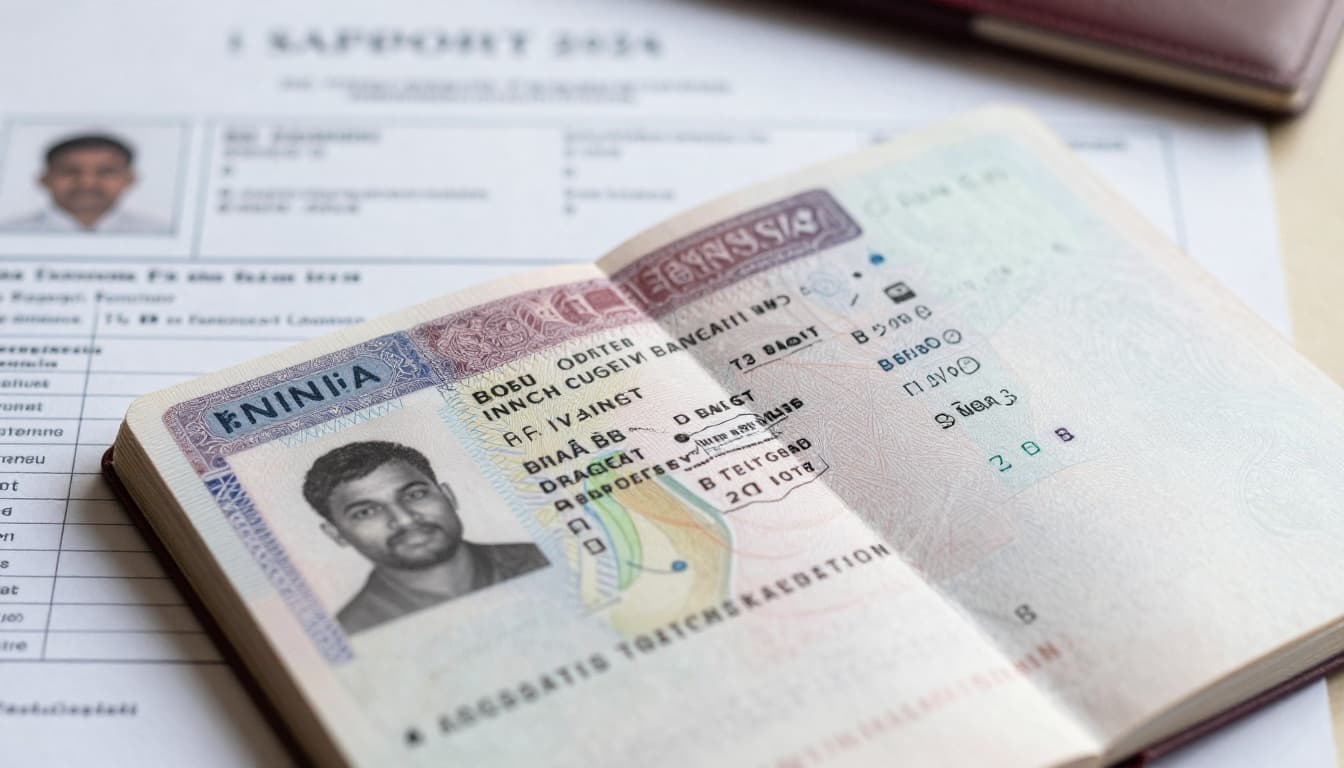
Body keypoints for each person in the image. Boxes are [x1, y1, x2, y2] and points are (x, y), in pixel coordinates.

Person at [303, 440, 548, 635]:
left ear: (448, 496)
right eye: (366, 512)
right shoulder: (353, 631)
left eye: (415, 495)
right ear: (336, 534)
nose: (406, 519)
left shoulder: (545, 557)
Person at [2, 133, 169, 233]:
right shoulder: (9, 232)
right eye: (70, 171)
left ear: (129, 179)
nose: (87, 183)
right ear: (43, 179)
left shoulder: (157, 231)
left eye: (105, 172)